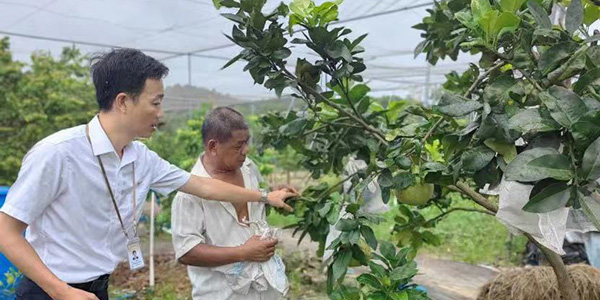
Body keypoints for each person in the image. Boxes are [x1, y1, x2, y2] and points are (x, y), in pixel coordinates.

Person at [0, 49, 297, 300]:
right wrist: (60, 291)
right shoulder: (57, 153)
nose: (161, 113)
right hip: (48, 291)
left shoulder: (141, 158)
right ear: (123, 102)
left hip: (97, 287)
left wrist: (264, 196)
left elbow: (205, 187)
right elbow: (6, 230)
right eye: (155, 102)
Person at [171, 107, 292, 299]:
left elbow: (258, 204)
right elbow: (187, 252)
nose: (246, 150)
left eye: (246, 143)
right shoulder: (188, 195)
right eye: (238, 146)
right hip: (222, 294)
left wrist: (276, 194)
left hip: (266, 289)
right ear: (213, 147)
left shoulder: (249, 168)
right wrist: (243, 252)